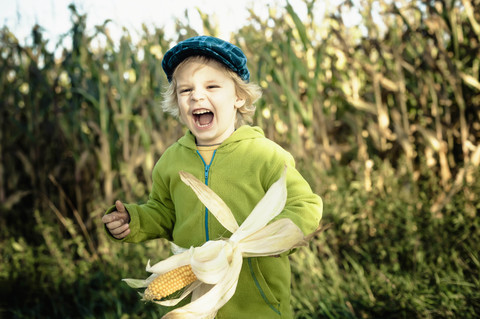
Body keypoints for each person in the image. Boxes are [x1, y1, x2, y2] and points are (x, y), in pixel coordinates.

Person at [102, 35, 323, 318]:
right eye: (185, 90)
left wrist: (276, 236)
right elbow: (164, 212)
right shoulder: (171, 161)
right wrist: (134, 220)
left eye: (211, 86)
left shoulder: (265, 155)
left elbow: (305, 203)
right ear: (177, 103)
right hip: (194, 302)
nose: (196, 96)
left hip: (257, 305)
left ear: (238, 97)